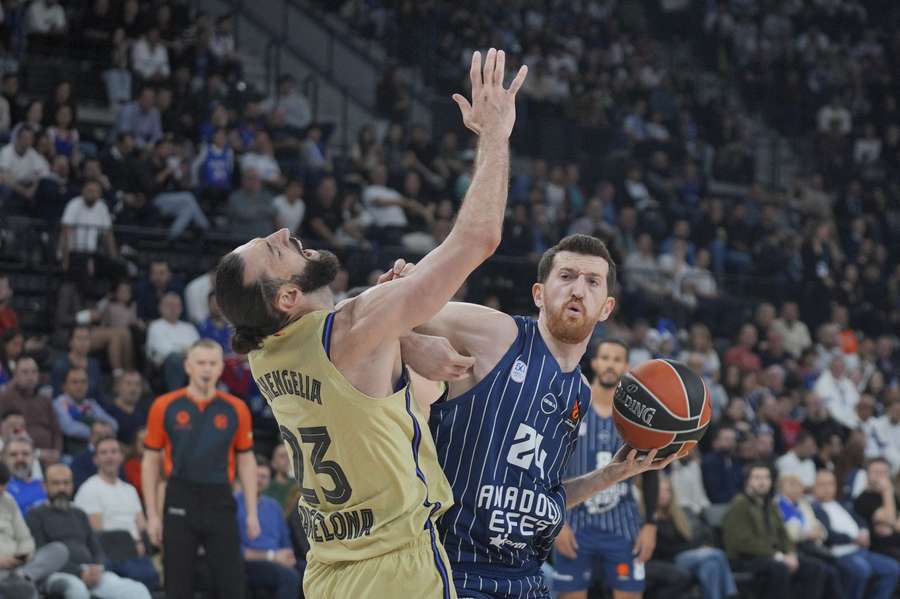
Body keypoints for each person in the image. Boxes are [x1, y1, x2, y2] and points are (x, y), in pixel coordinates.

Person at [212, 49, 530, 599]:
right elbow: (478, 240)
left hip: (329, 571)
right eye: (273, 248)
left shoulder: (264, 353)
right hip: (397, 569)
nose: (286, 233)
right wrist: (495, 135)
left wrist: (400, 335)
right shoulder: (353, 326)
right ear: (287, 295)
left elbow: (342, 356)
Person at [393, 234, 674, 599]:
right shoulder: (498, 336)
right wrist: (408, 335)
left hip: (526, 577)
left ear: (606, 308)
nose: (578, 290)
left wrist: (612, 475)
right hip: (452, 569)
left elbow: (544, 495)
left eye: (592, 282)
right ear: (539, 293)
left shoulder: (580, 392)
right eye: (567, 276)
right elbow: (373, 312)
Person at [142, 339, 259, 599]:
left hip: (219, 499)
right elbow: (150, 462)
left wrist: (252, 512)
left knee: (232, 584)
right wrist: (152, 515)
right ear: (188, 366)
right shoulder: (165, 405)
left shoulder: (236, 408)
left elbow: (246, 460)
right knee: (177, 584)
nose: (206, 369)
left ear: (220, 368)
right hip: (179, 496)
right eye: (200, 363)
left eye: (212, 363)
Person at [552, 340, 662, 599]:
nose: (610, 364)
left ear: (626, 367)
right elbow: (550, 465)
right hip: (574, 523)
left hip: (623, 526)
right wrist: (556, 524)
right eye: (605, 357)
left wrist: (650, 525)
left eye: (617, 359)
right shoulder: (574, 407)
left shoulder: (637, 419)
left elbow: (651, 472)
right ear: (595, 363)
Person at [25, 464, 152, 599]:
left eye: (66, 483)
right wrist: (79, 573)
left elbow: (96, 547)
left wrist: (98, 568)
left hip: (91, 572)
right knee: (77, 590)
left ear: (72, 485)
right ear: (44, 486)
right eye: (56, 483)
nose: (61, 488)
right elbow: (41, 554)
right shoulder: (35, 515)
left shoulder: (79, 513)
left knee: (136, 590)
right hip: (54, 574)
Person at [721, 463, 826, 599]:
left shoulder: (770, 505)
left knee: (815, 568)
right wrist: (778, 556)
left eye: (766, 478)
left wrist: (791, 553)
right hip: (745, 559)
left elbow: (784, 534)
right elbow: (741, 543)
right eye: (757, 478)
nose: (762, 482)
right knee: (780, 569)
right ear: (747, 481)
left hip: (772, 556)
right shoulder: (739, 504)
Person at [73, 436, 158, 590]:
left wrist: (141, 543)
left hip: (138, 554)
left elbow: (142, 525)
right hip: (111, 554)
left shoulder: (129, 490)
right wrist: (133, 545)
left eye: (113, 451)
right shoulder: (89, 489)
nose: (109, 456)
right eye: (104, 453)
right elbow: (96, 533)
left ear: (121, 457)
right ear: (95, 459)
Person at [811, 469, 900, 599]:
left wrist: (864, 533)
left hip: (860, 550)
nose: (827, 488)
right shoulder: (814, 508)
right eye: (822, 484)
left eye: (830, 484)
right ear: (814, 487)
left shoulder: (842, 504)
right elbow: (827, 534)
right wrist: (853, 539)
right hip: (840, 553)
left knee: (892, 568)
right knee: (861, 570)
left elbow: (860, 521)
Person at [652, 476, 738, 599]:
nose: (664, 494)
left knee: (710, 567)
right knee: (717, 554)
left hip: (690, 556)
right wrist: (696, 547)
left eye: (667, 490)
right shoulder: (651, 519)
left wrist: (694, 547)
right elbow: (663, 549)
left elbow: (695, 536)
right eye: (660, 490)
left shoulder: (680, 514)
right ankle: (733, 594)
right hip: (669, 560)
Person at [0, 459, 72, 599]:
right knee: (22, 589)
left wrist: (24, 554)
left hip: (19, 565)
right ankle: (21, 581)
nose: (1, 492)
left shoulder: (8, 500)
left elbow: (25, 536)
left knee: (59, 549)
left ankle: (23, 576)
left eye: (3, 487)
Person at [236, 458, 300, 599]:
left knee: (309, 570)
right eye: (255, 475)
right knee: (289, 578)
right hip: (249, 564)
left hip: (278, 561)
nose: (259, 480)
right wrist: (272, 556)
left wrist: (288, 556)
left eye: (264, 477)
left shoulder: (274, 506)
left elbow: (286, 541)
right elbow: (234, 549)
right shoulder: (234, 504)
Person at [0, 357, 62, 469]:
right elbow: (7, 435)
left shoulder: (45, 400)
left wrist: (56, 452)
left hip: (51, 456)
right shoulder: (5, 398)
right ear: (15, 375)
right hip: (20, 454)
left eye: (34, 372)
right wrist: (37, 453)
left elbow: (56, 431)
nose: (30, 376)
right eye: (25, 372)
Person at [52, 368, 117, 449]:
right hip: (70, 451)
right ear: (64, 386)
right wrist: (94, 431)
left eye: (83, 382)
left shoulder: (91, 403)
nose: (79, 386)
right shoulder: (58, 404)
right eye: (74, 382)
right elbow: (68, 428)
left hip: (96, 448)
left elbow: (113, 423)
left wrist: (108, 428)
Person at [853, 458, 900, 560]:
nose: (880, 476)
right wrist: (887, 491)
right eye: (876, 472)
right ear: (868, 474)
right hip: (879, 548)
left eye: (884, 472)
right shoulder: (863, 499)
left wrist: (891, 525)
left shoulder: (893, 496)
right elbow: (890, 519)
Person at [3, 436, 46, 514]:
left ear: (33, 457)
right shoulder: (2, 488)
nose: (20, 459)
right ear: (3, 458)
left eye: (25, 454)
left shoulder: (46, 486)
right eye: (13, 454)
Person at [105, 371, 148, 445]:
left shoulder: (145, 411)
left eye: (137, 384)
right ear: (117, 387)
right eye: (128, 384)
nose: (133, 388)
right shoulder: (107, 412)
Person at [701, 427, 743, 504]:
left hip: (735, 503)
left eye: (732, 439)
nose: (730, 442)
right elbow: (713, 490)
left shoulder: (736, 460)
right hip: (718, 504)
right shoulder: (710, 461)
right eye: (726, 439)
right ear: (717, 441)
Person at [69, 421, 115, 491]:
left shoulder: (116, 458)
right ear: (91, 435)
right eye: (99, 434)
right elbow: (79, 485)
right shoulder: (79, 459)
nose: (102, 438)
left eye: (106, 435)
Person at [263, 444, 293, 510]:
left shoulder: (297, 485)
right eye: (282, 456)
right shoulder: (267, 486)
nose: (287, 459)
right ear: (273, 462)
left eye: (289, 456)